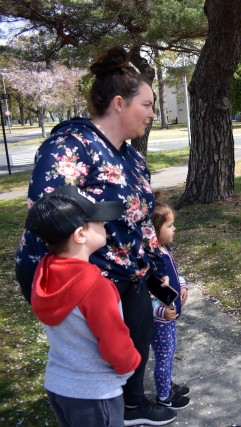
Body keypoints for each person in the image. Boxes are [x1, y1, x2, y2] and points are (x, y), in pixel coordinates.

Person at [14, 46, 176, 426]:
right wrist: (54, 285)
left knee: (138, 338)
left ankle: (131, 406)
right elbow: (46, 215)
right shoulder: (71, 146)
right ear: (119, 103)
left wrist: (158, 274)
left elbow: (141, 222)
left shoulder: (132, 157)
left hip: (129, 275)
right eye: (147, 105)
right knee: (92, 358)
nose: (153, 114)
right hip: (85, 283)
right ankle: (93, 408)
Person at [27, 185, 141, 427]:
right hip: (95, 394)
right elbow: (115, 345)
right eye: (98, 221)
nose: (105, 225)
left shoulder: (45, 273)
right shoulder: (96, 288)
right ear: (80, 235)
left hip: (59, 386)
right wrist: (131, 364)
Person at [150, 201, 191, 409]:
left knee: (170, 351)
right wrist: (161, 312)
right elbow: (149, 296)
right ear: (154, 230)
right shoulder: (152, 259)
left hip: (170, 317)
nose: (174, 229)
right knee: (164, 357)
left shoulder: (165, 249)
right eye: (169, 226)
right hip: (160, 320)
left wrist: (182, 286)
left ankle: (167, 384)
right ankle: (164, 396)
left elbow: (176, 273)